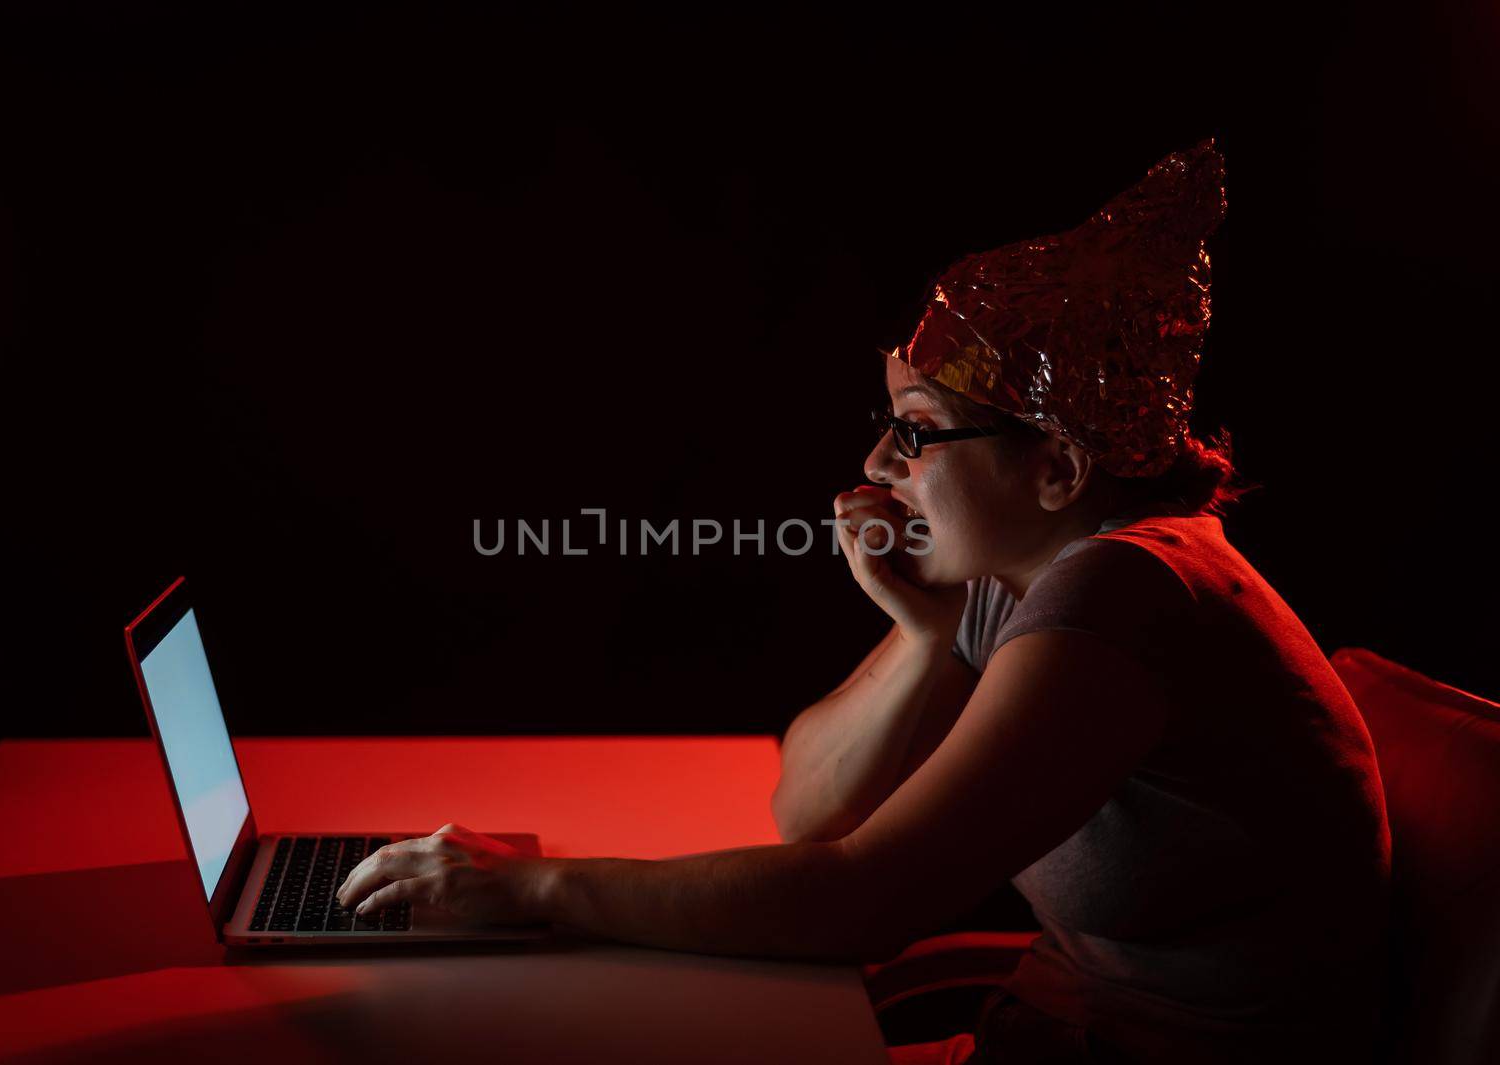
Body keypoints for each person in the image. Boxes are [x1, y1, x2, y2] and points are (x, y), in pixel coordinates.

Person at [335, 141, 1392, 1065]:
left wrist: (529, 891)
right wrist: (923, 629)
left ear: (1059, 470)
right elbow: (808, 813)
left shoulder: (1124, 591)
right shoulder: (1028, 573)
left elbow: (858, 899)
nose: (879, 462)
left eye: (920, 432)